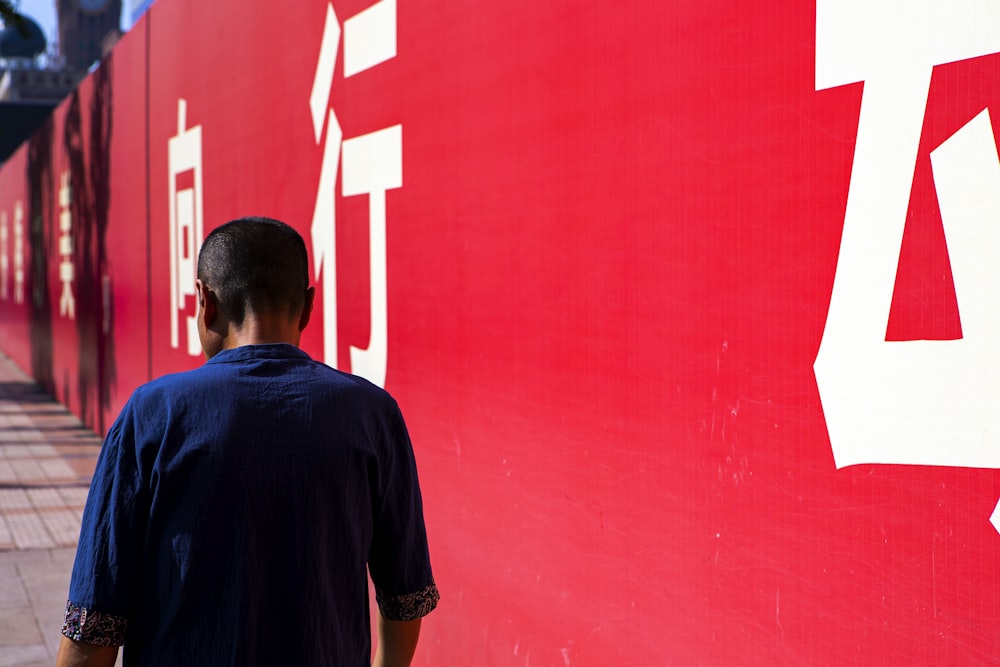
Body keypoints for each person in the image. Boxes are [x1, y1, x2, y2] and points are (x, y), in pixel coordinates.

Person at [56, 217, 438, 666]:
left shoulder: (152, 415)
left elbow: (94, 622)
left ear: (205, 301)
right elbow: (406, 598)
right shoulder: (372, 414)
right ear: (308, 307)